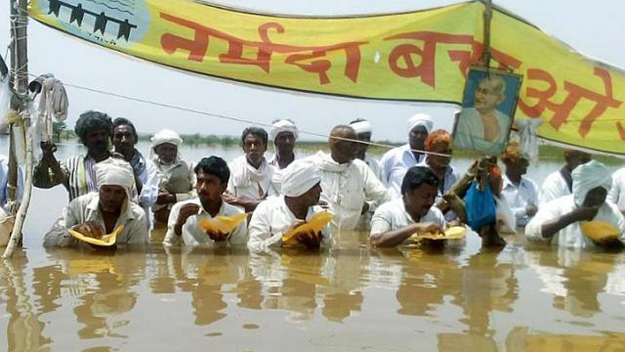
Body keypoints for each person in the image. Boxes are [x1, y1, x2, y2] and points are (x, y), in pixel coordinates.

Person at [43, 159, 148, 247]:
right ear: (99, 189)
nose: (111, 197)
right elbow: (48, 242)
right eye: (107, 190)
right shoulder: (78, 205)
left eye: (118, 192)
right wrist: (74, 232)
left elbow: (135, 255)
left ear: (126, 194)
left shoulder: (137, 217)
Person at [525, 160, 625, 248]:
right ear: (581, 190)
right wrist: (573, 217)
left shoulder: (612, 213)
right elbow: (530, 233)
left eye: (602, 193)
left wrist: (613, 245)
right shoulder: (558, 206)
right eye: (593, 193)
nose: (598, 198)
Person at [313, 125, 391, 232]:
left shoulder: (360, 168)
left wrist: (369, 207)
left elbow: (385, 197)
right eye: (352, 143)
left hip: (351, 236)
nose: (357, 147)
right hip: (321, 235)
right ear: (336, 145)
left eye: (357, 143)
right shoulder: (314, 166)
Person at [248, 158, 332, 252]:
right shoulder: (266, 210)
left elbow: (329, 251)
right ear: (301, 189)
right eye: (315, 186)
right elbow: (253, 248)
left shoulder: (319, 215)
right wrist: (283, 238)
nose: (320, 190)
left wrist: (316, 248)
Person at [163, 156, 247, 246]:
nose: (203, 187)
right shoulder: (180, 210)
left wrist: (222, 242)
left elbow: (237, 254)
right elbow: (169, 249)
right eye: (200, 181)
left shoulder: (237, 216)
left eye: (210, 182)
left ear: (223, 187)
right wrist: (178, 226)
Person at [34, 110, 115, 201]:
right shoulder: (73, 165)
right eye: (94, 135)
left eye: (103, 134)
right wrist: (47, 155)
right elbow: (41, 182)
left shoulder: (120, 163)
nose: (100, 138)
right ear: (85, 139)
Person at [370, 166, 446, 247]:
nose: (431, 202)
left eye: (434, 197)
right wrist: (415, 228)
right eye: (425, 196)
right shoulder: (386, 212)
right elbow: (375, 241)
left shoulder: (436, 215)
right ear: (408, 193)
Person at [111, 117, 159, 226]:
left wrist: (128, 169)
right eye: (118, 136)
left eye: (128, 135)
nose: (123, 140)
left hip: (139, 225)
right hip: (111, 225)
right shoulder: (106, 164)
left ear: (135, 139)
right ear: (112, 140)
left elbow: (150, 200)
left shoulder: (147, 166)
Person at [453, 75, 511, 155]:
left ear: (499, 99)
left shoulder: (505, 121)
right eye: (478, 90)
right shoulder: (464, 115)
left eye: (485, 92)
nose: (478, 96)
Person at [224, 127, 277, 212]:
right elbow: (228, 201)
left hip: (266, 219)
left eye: (257, 144)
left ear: (265, 147)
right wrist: (261, 203)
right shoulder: (232, 169)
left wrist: (238, 201)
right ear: (244, 147)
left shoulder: (273, 172)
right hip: (239, 219)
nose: (253, 148)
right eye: (249, 144)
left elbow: (273, 204)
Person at [380, 113, 433, 198]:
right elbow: (379, 183)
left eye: (423, 133)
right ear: (409, 133)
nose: (419, 136)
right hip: (393, 207)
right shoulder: (392, 155)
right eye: (415, 132)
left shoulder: (433, 159)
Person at [150, 129, 195, 224]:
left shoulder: (189, 166)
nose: (168, 153)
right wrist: (154, 196)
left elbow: (197, 194)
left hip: (185, 220)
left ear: (177, 149)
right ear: (155, 150)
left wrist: (175, 198)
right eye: (164, 149)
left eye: (172, 149)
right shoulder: (149, 167)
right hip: (159, 221)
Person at [418, 129, 460, 221]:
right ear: (429, 150)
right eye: (443, 152)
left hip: (453, 231)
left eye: (450, 151)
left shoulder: (454, 174)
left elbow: (463, 203)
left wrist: (458, 221)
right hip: (425, 229)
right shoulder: (417, 173)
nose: (447, 156)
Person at [500, 142, 538, 228]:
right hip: (504, 234)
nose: (527, 165)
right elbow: (499, 215)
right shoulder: (498, 186)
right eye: (522, 162)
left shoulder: (532, 186)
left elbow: (538, 211)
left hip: (528, 232)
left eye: (527, 161)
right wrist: (524, 211)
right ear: (508, 162)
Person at [349, 118, 385, 183]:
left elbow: (384, 190)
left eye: (367, 138)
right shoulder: (341, 162)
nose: (365, 141)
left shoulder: (376, 165)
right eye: (361, 137)